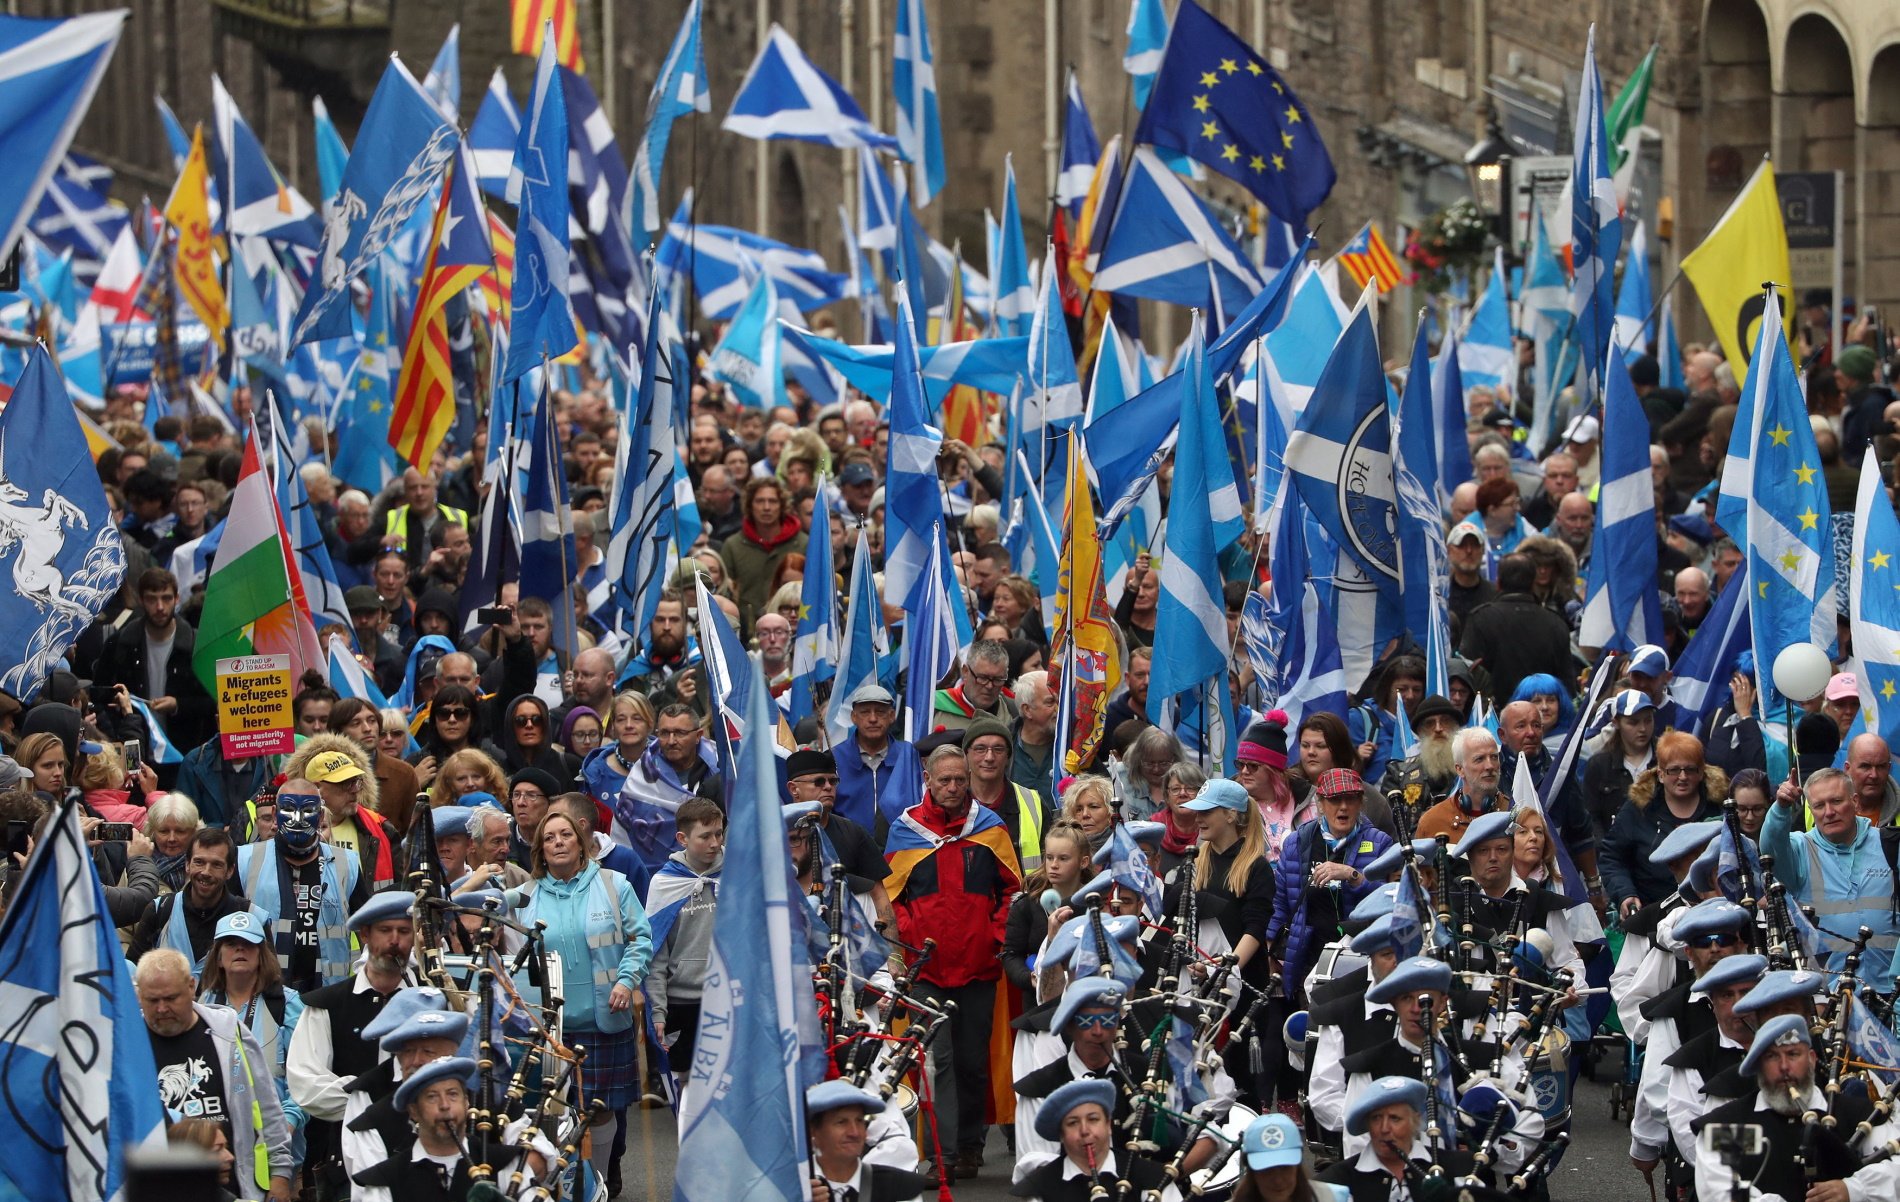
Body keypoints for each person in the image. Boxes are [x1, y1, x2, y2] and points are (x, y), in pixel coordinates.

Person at [884, 746, 1022, 1181]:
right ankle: (939, 1158)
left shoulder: (990, 829)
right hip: (926, 970)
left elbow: (1013, 894)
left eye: (959, 779)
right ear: (927, 778)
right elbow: (890, 900)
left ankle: (970, 1147)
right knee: (936, 1060)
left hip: (979, 969)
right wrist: (910, 941)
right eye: (944, 780)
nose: (953, 788)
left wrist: (995, 940)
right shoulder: (904, 831)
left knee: (972, 1060)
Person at [513, 807, 651, 1181]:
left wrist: (626, 981)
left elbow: (641, 939)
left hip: (603, 1018)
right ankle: (561, 1184)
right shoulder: (524, 896)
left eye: (566, 835)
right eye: (549, 838)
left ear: (582, 842)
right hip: (548, 1026)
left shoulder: (613, 884)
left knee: (599, 1108)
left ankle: (598, 1181)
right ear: (540, 850)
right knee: (551, 1110)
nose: (558, 843)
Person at [285, 892, 418, 1199]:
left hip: (419, 1159)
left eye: (404, 931)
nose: (395, 941)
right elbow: (306, 1084)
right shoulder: (328, 1004)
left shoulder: (430, 999)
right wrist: (372, 1100)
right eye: (385, 931)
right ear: (365, 935)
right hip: (344, 1161)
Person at [136, 948, 293, 1202]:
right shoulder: (128, 1047)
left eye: (171, 998)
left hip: (237, 1187)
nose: (162, 1008)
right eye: (152, 1000)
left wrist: (280, 1175)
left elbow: (268, 1107)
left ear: (191, 986)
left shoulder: (228, 1033)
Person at [1690, 1014, 1900, 1202]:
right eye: (1771, 1056)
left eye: (1792, 1054)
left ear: (1811, 1059)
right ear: (1758, 1067)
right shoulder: (1735, 1125)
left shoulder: (1854, 1114)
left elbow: (1897, 1167)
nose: (1784, 1067)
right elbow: (1720, 1190)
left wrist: (1854, 1189)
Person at [1762, 767, 1900, 992]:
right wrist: (1781, 808)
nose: (1829, 812)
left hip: (1891, 995)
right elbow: (1770, 849)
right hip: (1830, 999)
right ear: (1811, 809)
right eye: (1819, 805)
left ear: (1854, 801)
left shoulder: (1891, 844)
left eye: (1836, 801)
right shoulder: (1801, 849)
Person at [1265, 768, 1391, 1006]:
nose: (1343, 807)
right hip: (1310, 958)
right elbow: (1281, 903)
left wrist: (1353, 876)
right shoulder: (1297, 843)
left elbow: (1390, 899)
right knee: (1311, 1035)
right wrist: (1270, 952)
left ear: (1360, 803)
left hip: (1360, 958)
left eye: (1351, 799)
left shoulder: (1379, 843)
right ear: (1320, 804)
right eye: (1334, 799)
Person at [236, 778, 371, 991]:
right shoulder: (245, 860)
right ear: (274, 814)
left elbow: (368, 931)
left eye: (308, 810)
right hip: (264, 992)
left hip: (328, 994)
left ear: (320, 816)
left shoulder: (347, 864)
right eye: (288, 809)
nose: (298, 819)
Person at [350, 1056, 531, 1202]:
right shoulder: (386, 1179)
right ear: (413, 1111)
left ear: (466, 1103)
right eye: (432, 1097)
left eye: (453, 1094)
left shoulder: (507, 1164)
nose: (444, 1105)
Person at [643, 797, 725, 1090]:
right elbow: (655, 954)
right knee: (686, 1090)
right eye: (705, 836)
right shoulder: (664, 883)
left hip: (727, 1000)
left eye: (719, 833)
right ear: (682, 838)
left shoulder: (738, 875)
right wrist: (657, 1011)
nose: (715, 843)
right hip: (681, 1003)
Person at [1602, 732, 1728, 920]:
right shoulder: (1638, 809)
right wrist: (1626, 894)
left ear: (1702, 772)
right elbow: (1611, 857)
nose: (1683, 777)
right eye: (1674, 770)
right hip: (1652, 912)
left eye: (1690, 769)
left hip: (1714, 910)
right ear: (1660, 774)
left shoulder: (1720, 806)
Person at [1013, 1078, 1182, 1202]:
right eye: (1073, 1123)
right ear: (1061, 1135)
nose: (1084, 1131)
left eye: (1093, 1119)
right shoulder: (1042, 1187)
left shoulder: (1150, 1177)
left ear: (1108, 1125)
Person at [1319, 1076, 1482, 1201]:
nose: (1384, 1128)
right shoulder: (1336, 1181)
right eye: (1376, 1118)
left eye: (1394, 1118)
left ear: (1415, 1121)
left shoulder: (1458, 1168)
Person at [127, 827, 254, 972]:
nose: (206, 872)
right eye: (199, 862)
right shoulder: (159, 911)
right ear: (187, 865)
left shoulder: (248, 916)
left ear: (230, 871)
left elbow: (268, 982)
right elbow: (131, 975)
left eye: (216, 865)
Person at [615, 703, 723, 874]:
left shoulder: (723, 765)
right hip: (660, 877)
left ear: (698, 735)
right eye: (664, 733)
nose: (671, 741)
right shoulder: (641, 777)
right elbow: (623, 839)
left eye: (680, 733)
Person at [285, 738, 401, 893]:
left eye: (356, 781)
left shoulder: (381, 827)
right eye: (345, 783)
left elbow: (402, 887)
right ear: (317, 787)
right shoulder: (288, 829)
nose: (355, 790)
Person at [1458, 554, 1578, 704]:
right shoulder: (1556, 623)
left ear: (1498, 583)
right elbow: (1567, 688)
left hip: (1491, 720)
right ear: (1533, 583)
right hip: (1542, 720)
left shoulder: (1479, 619)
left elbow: (1467, 676)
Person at [805, 1080, 932, 1202]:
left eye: (859, 1121)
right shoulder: (794, 1187)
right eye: (841, 1122)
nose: (854, 1132)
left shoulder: (896, 1186)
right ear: (813, 1130)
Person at [963, 717, 1053, 871]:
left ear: (1008, 757)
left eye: (998, 749)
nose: (989, 757)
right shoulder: (952, 802)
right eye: (980, 749)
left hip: (1023, 894)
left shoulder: (1033, 803)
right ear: (966, 755)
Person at [833, 684, 922, 830]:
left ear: (892, 716)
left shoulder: (909, 757)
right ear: (853, 717)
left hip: (899, 848)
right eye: (865, 712)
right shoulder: (834, 758)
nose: (873, 719)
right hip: (849, 849)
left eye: (880, 712)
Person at [1376, 696, 1462, 831]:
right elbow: (1388, 826)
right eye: (1430, 724)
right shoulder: (1398, 774)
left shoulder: (1470, 770)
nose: (1438, 728)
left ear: (1455, 727)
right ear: (1420, 732)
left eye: (1445, 721)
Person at [1583, 689, 1660, 837]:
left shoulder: (1666, 758)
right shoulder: (1599, 765)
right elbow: (1592, 818)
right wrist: (1605, 852)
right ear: (1616, 723)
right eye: (1633, 722)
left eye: (1648, 720)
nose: (1643, 729)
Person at [1414, 728, 1509, 842]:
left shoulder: (1514, 812)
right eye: (1479, 759)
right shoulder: (1432, 822)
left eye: (1494, 757)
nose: (1489, 766)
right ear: (1460, 769)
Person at [1231, 1113, 1345, 1202]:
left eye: (1285, 1168)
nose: (1278, 1180)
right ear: (1251, 1171)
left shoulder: (1336, 1198)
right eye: (1266, 1170)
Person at [932, 639, 1020, 732]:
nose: (989, 686)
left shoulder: (1014, 710)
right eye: (982, 678)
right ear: (965, 671)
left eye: (998, 679)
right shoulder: (935, 706)